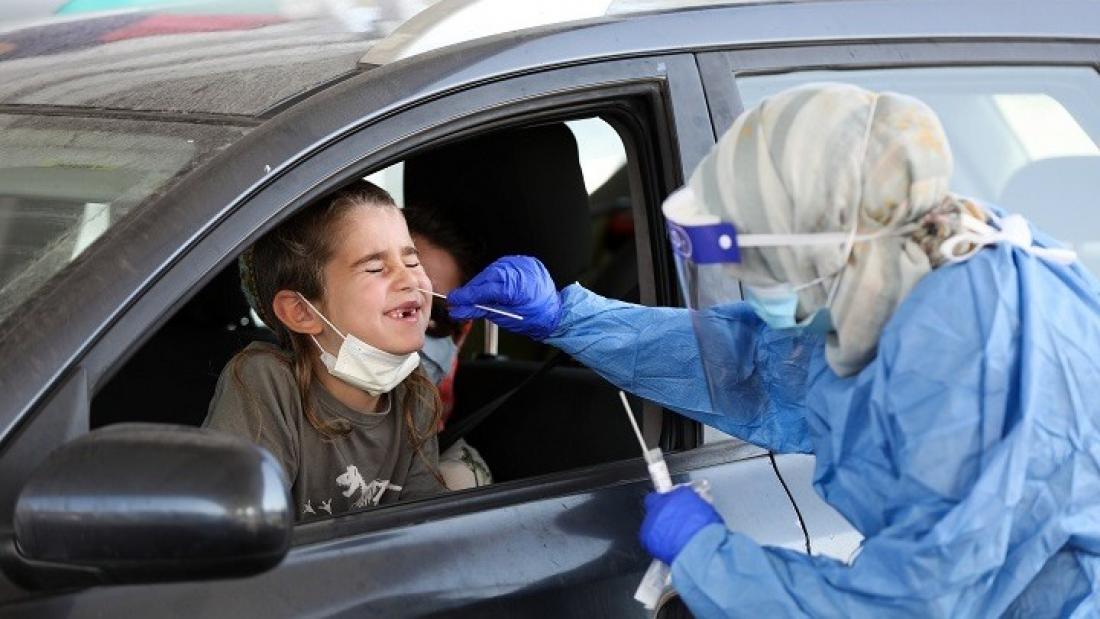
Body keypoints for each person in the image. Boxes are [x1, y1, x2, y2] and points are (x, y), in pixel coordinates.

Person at [444, 83, 1100, 616]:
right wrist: (570, 317)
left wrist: (708, 556)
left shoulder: (969, 363)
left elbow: (905, 606)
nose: (753, 289)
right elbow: (755, 369)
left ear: (825, 241)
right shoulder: (896, 257)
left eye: (761, 266)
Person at [204, 180, 445, 522]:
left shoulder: (414, 391)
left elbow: (425, 527)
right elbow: (238, 527)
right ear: (302, 312)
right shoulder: (266, 381)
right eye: (375, 268)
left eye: (412, 261)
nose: (409, 280)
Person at [402, 203, 492, 489]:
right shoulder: (289, 424)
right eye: (403, 307)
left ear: (460, 336)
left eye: (436, 317)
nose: (411, 336)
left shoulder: (455, 477)